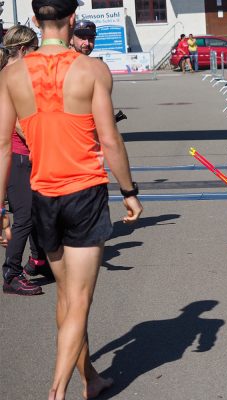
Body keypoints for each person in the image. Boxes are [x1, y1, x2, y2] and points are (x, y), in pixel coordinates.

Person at [0, 1, 143, 399]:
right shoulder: (92, 70)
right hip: (83, 191)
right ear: (72, 21)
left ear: (34, 21)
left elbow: (2, 148)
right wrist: (129, 192)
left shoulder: (11, 74)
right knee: (79, 300)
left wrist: (1, 210)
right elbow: (110, 139)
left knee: (67, 297)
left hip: (42, 193)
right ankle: (57, 390)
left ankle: (90, 377)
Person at [0, 25, 54, 296]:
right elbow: (21, 122)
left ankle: (39, 259)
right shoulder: (15, 77)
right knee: (24, 216)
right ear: (22, 50)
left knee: (34, 212)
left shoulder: (9, 74)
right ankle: (11, 273)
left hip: (19, 153)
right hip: (20, 154)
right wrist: (42, 145)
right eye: (34, 50)